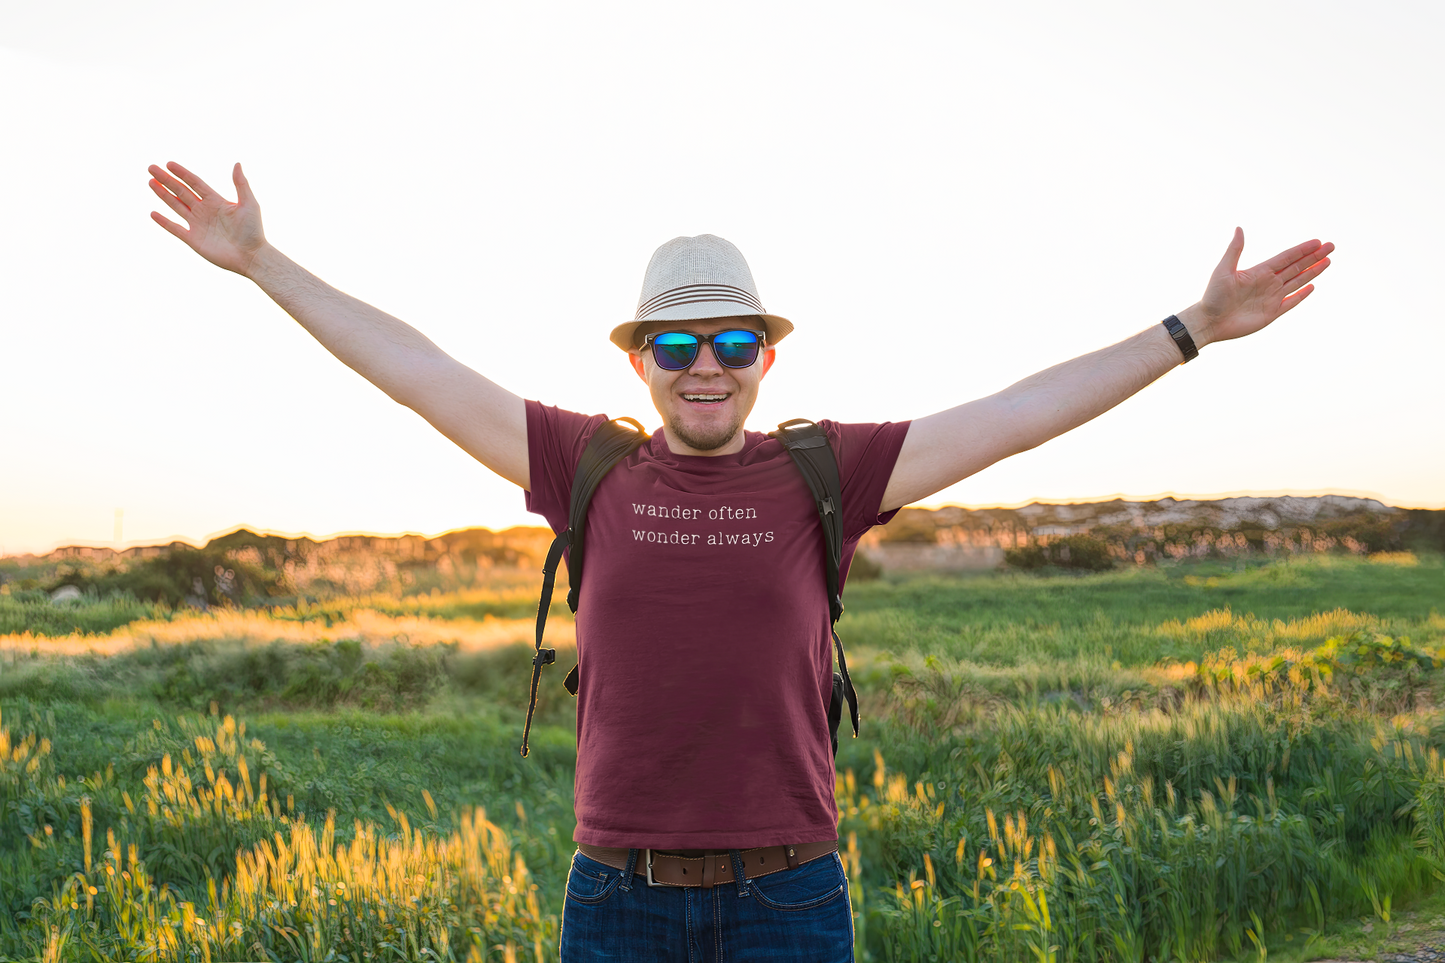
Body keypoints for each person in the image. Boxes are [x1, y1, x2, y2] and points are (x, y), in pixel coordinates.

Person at [147, 160, 1333, 962]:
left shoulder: (827, 471)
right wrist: (264, 264)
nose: (701, 363)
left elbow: (1018, 411)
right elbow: (415, 369)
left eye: (729, 341)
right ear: (638, 361)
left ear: (763, 356)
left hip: (790, 897)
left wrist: (1190, 331)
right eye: (674, 341)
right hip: (614, 897)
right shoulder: (583, 465)